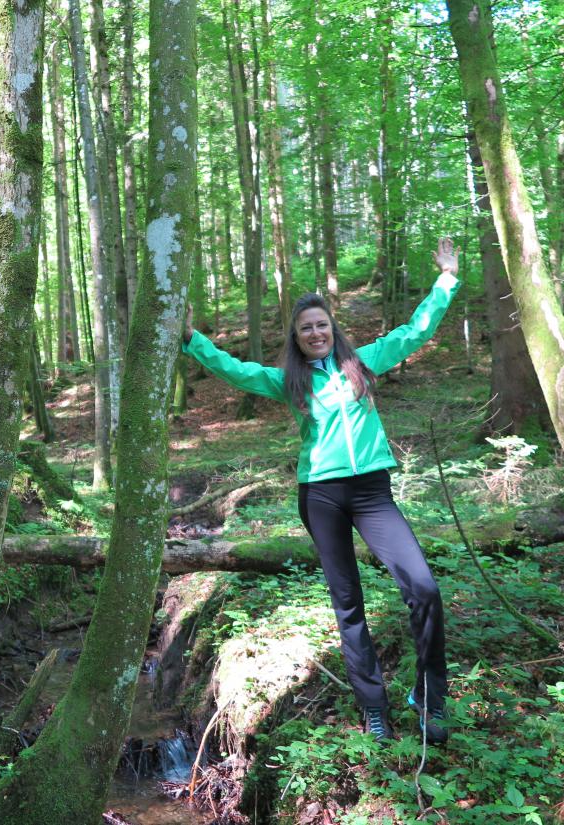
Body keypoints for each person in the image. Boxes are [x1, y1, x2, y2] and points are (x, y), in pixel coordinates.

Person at [182, 238, 461, 744]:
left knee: (423, 587)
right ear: (296, 336)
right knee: (347, 601)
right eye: (306, 327)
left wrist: (445, 279)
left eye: (322, 325)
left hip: (373, 491)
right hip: (321, 495)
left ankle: (430, 697)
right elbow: (234, 370)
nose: (316, 333)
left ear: (334, 330)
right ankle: (373, 706)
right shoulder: (287, 379)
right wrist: (190, 338)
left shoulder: (365, 362)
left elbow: (416, 331)